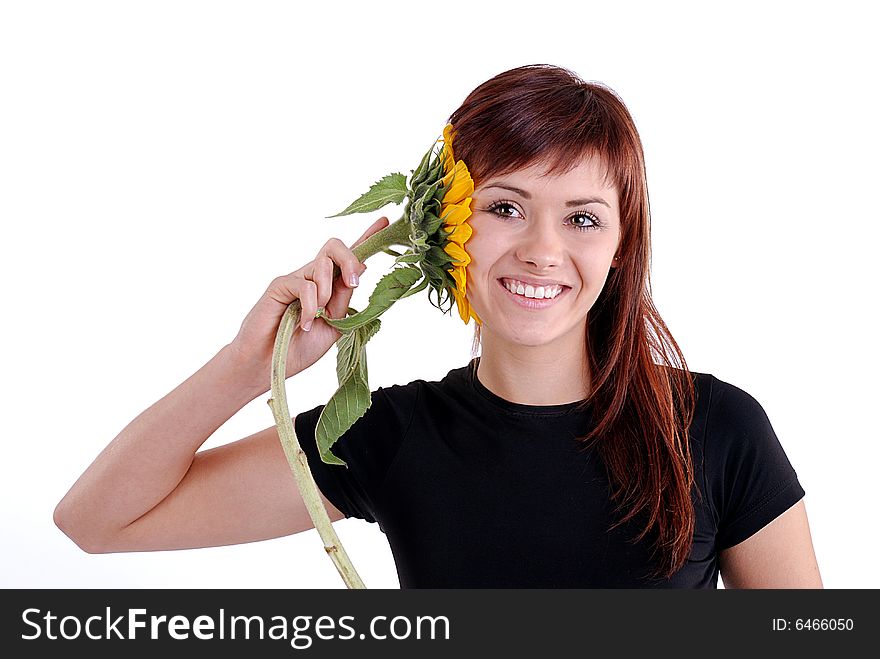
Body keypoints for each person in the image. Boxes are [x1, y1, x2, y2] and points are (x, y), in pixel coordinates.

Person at [54, 64, 823, 588]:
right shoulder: (392, 435)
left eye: (582, 218)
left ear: (622, 250)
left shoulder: (718, 429)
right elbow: (97, 521)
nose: (542, 250)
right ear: (444, 230)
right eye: (505, 207)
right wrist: (249, 365)